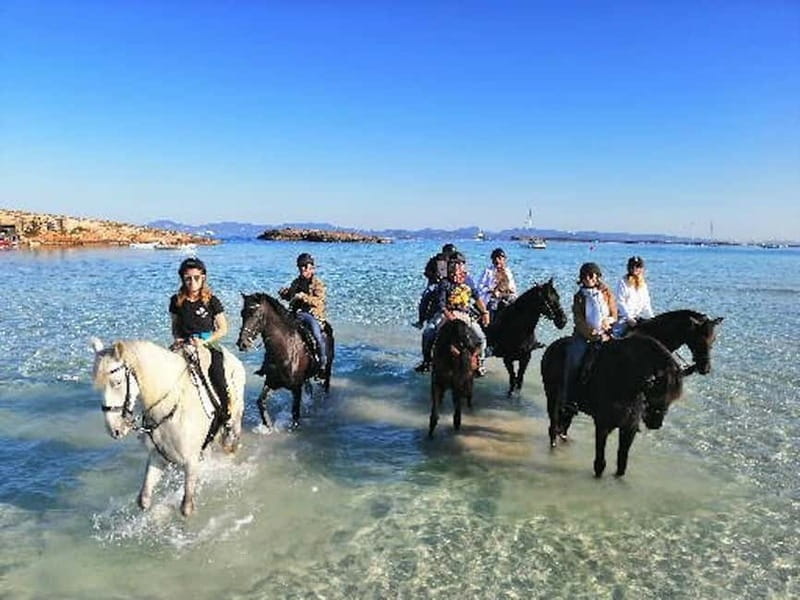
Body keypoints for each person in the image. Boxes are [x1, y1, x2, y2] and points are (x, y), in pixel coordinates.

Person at [169, 257, 231, 421]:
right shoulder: (176, 301)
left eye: (196, 277)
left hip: (208, 343)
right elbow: (175, 326)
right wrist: (178, 338)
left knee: (217, 374)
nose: (192, 281)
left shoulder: (211, 300)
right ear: (182, 279)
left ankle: (226, 411)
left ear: (203, 277)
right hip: (184, 343)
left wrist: (204, 341)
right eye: (187, 278)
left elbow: (223, 328)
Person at [416, 252, 490, 375]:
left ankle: (480, 363)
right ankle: (426, 361)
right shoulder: (444, 282)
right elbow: (441, 304)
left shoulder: (468, 281)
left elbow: (476, 298)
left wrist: (485, 312)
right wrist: (449, 316)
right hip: (446, 313)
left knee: (481, 338)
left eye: (460, 264)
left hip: (464, 313)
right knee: (428, 332)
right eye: (455, 264)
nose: (458, 267)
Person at [562, 262, 617, 412]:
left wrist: (609, 322)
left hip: (607, 332)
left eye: (592, 275)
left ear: (597, 276)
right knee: (574, 359)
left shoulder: (607, 293)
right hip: (585, 335)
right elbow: (579, 320)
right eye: (585, 275)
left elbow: (614, 313)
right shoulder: (579, 296)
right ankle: (569, 397)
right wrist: (592, 333)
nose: (589, 278)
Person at [279, 252, 328, 371]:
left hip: (311, 314)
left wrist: (304, 297)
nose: (303, 269)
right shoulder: (296, 282)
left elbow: (320, 301)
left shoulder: (318, 284)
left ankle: (322, 362)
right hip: (295, 313)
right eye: (301, 266)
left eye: (306, 266)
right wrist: (284, 294)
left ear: (312, 268)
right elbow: (291, 297)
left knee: (316, 335)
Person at [415, 243, 457, 328]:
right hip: (435, 283)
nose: (451, 255)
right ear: (445, 252)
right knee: (425, 297)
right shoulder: (435, 260)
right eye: (450, 253)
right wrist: (434, 276)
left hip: (450, 283)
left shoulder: (455, 262)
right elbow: (427, 272)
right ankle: (421, 320)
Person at [613, 255, 654, 337]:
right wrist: (629, 318)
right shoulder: (623, 282)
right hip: (624, 319)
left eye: (638, 266)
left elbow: (646, 304)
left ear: (642, 269)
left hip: (638, 318)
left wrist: (652, 318)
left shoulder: (643, 285)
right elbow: (620, 302)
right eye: (632, 266)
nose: (635, 268)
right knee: (618, 336)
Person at [477, 247, 517, 322]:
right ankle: (490, 326)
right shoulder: (488, 271)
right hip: (492, 297)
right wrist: (491, 290)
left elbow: (512, 286)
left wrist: (510, 290)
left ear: (504, 260)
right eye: (496, 258)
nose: (497, 260)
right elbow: (480, 287)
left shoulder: (508, 271)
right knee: (493, 306)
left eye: (500, 258)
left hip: (505, 295)